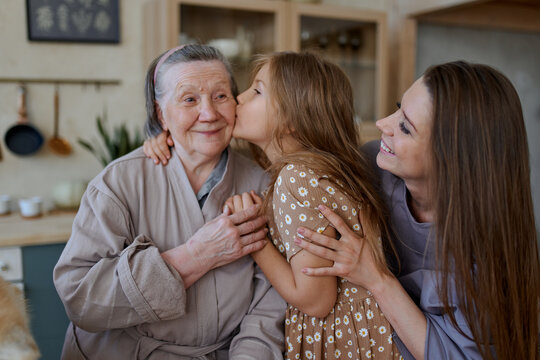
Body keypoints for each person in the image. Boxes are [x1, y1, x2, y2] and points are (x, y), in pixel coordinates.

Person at [145, 51, 401, 360]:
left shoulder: (296, 178)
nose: (238, 99)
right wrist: (163, 136)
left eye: (257, 91)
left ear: (292, 119)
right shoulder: (313, 171)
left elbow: (316, 300)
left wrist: (255, 239)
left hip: (340, 342)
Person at [293, 61, 540, 360]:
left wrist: (377, 279)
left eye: (405, 127)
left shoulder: (484, 257)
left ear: (452, 160)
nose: (384, 123)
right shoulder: (373, 164)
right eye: (398, 108)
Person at [53, 44, 286, 360]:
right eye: (189, 99)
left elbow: (269, 307)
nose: (209, 114)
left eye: (220, 96)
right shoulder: (118, 183)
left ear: (235, 103)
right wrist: (197, 255)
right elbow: (80, 299)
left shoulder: (265, 185)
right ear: (161, 113)